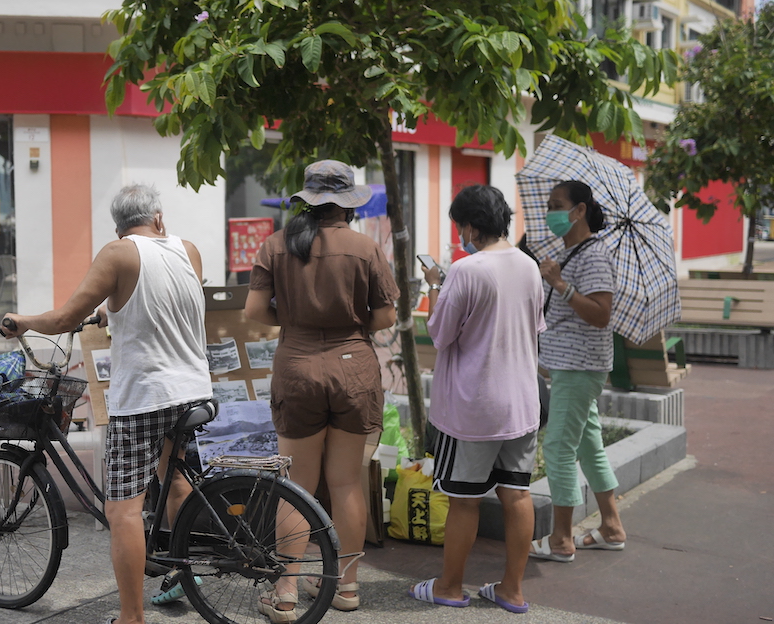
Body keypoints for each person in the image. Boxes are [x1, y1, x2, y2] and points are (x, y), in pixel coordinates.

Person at [0, 184, 212, 624]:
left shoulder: (118, 254)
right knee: (173, 481)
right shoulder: (187, 250)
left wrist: (22, 321)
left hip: (145, 399)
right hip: (192, 390)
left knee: (123, 510)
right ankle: (184, 572)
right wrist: (113, 312)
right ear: (158, 218)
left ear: (119, 228)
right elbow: (162, 297)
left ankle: (131, 618)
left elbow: (62, 320)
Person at [245, 160, 399, 621]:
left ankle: (287, 591)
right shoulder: (365, 247)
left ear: (307, 199)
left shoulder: (275, 245)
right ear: (348, 204)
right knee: (346, 481)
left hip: (297, 366)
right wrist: (350, 328)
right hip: (355, 368)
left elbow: (255, 310)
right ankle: (345, 586)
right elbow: (387, 316)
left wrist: (294, 321)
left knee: (296, 485)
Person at [406, 185, 543, 615]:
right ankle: (512, 591)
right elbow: (531, 325)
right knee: (517, 495)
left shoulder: (466, 271)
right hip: (522, 403)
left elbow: (441, 333)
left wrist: (434, 288)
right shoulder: (529, 266)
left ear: (469, 226)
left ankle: (449, 586)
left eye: (460, 227)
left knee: (464, 499)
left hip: (474, 408)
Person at [528, 179, 627, 563]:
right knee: (589, 445)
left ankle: (561, 539)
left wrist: (559, 284)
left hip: (579, 366)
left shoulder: (594, 255)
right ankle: (612, 527)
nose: (551, 212)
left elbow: (601, 315)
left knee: (557, 448)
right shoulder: (570, 252)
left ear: (579, 210)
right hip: (570, 366)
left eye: (557, 205)